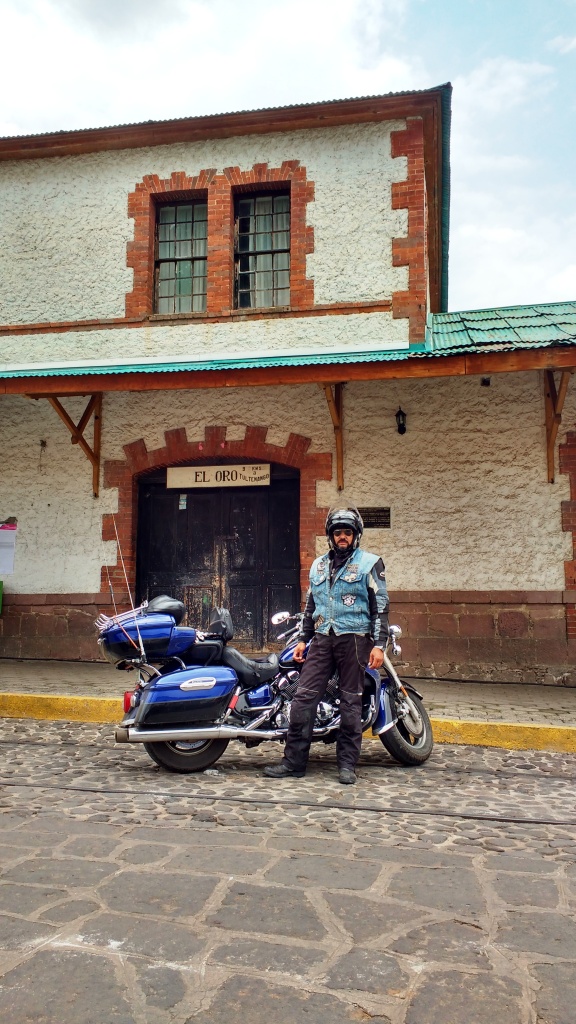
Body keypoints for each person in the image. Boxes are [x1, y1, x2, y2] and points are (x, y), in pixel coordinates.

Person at [264, 507, 389, 785]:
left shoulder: (370, 563)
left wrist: (379, 645)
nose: (342, 537)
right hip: (321, 640)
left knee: (350, 702)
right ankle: (293, 762)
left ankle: (346, 764)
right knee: (303, 699)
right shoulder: (318, 565)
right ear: (330, 537)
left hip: (355, 641)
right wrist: (301, 640)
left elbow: (380, 607)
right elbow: (311, 606)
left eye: (347, 532)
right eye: (337, 533)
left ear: (355, 535)